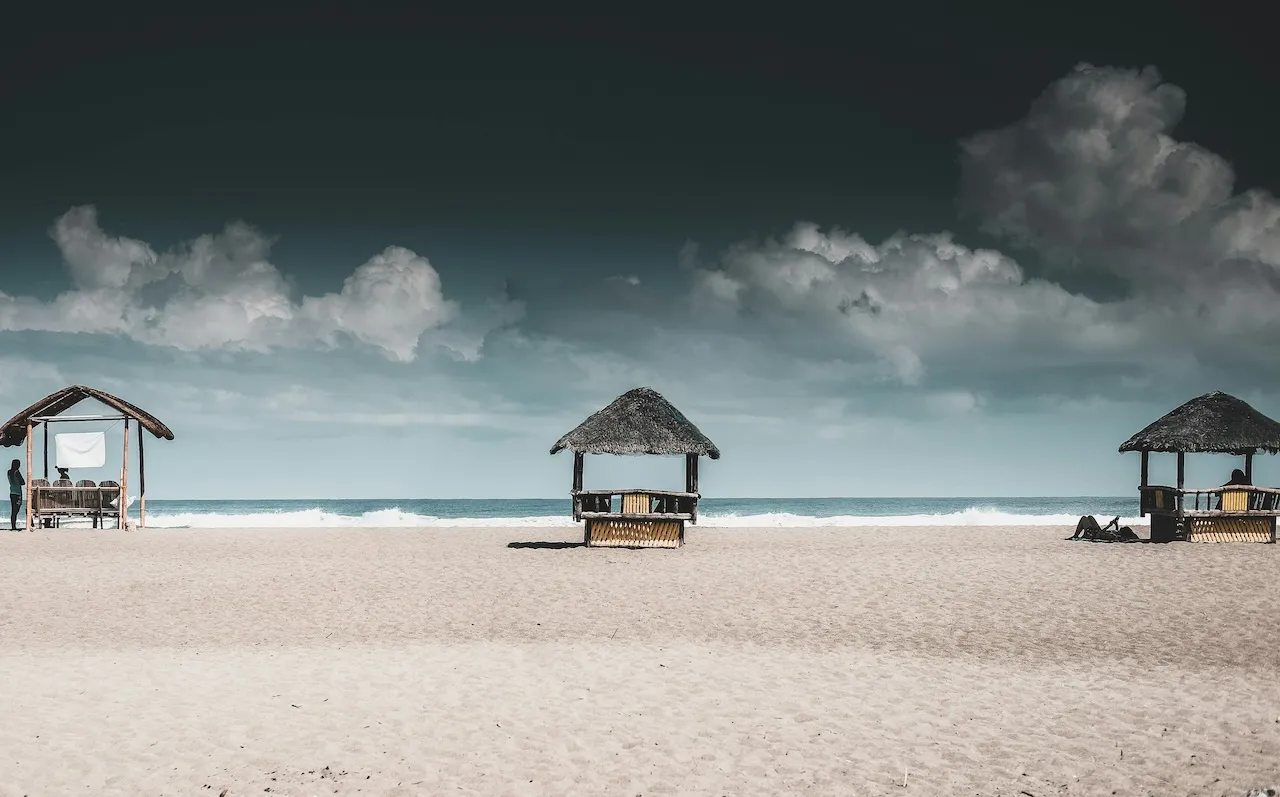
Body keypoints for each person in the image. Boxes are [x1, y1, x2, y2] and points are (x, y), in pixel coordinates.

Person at [8, 459, 23, 531]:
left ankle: (13, 526)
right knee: (16, 510)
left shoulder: (9, 472)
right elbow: (23, 482)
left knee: (13, 510)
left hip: (12, 493)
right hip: (17, 493)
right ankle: (13, 526)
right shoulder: (17, 472)